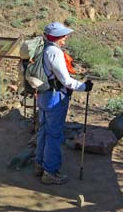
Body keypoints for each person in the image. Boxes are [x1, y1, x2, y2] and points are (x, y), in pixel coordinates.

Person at [34, 21, 93, 185]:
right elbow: (65, 80)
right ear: (56, 37)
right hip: (55, 98)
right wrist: (84, 86)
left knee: (44, 131)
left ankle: (39, 165)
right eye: (63, 35)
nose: (65, 37)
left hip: (44, 96)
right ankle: (50, 172)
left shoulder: (44, 47)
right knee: (54, 135)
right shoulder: (55, 52)